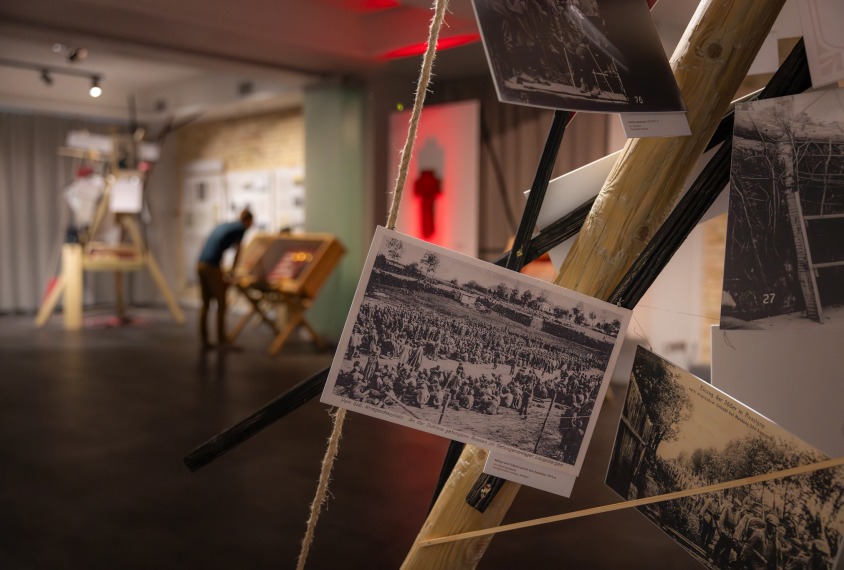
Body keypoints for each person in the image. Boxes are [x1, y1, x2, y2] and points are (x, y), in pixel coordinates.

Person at [196, 209, 253, 350]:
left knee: (206, 304)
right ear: (248, 221)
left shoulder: (225, 225)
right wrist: (233, 272)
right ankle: (222, 340)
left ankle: (204, 340)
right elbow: (238, 251)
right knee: (221, 303)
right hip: (211, 266)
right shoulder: (241, 228)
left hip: (200, 264)